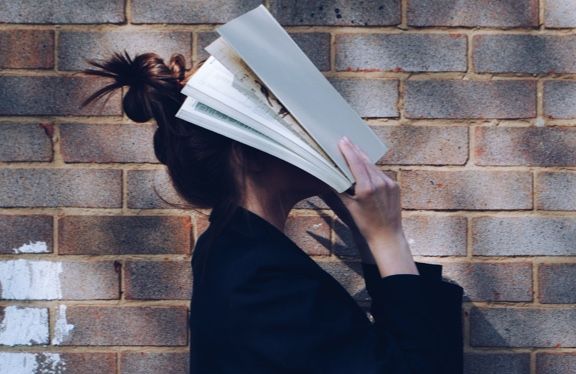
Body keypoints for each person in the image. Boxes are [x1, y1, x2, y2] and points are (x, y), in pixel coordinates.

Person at [80, 51, 464, 373]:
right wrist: (388, 237)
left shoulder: (241, 254)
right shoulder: (257, 277)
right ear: (246, 154)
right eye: (290, 124)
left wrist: (367, 232)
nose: (315, 135)